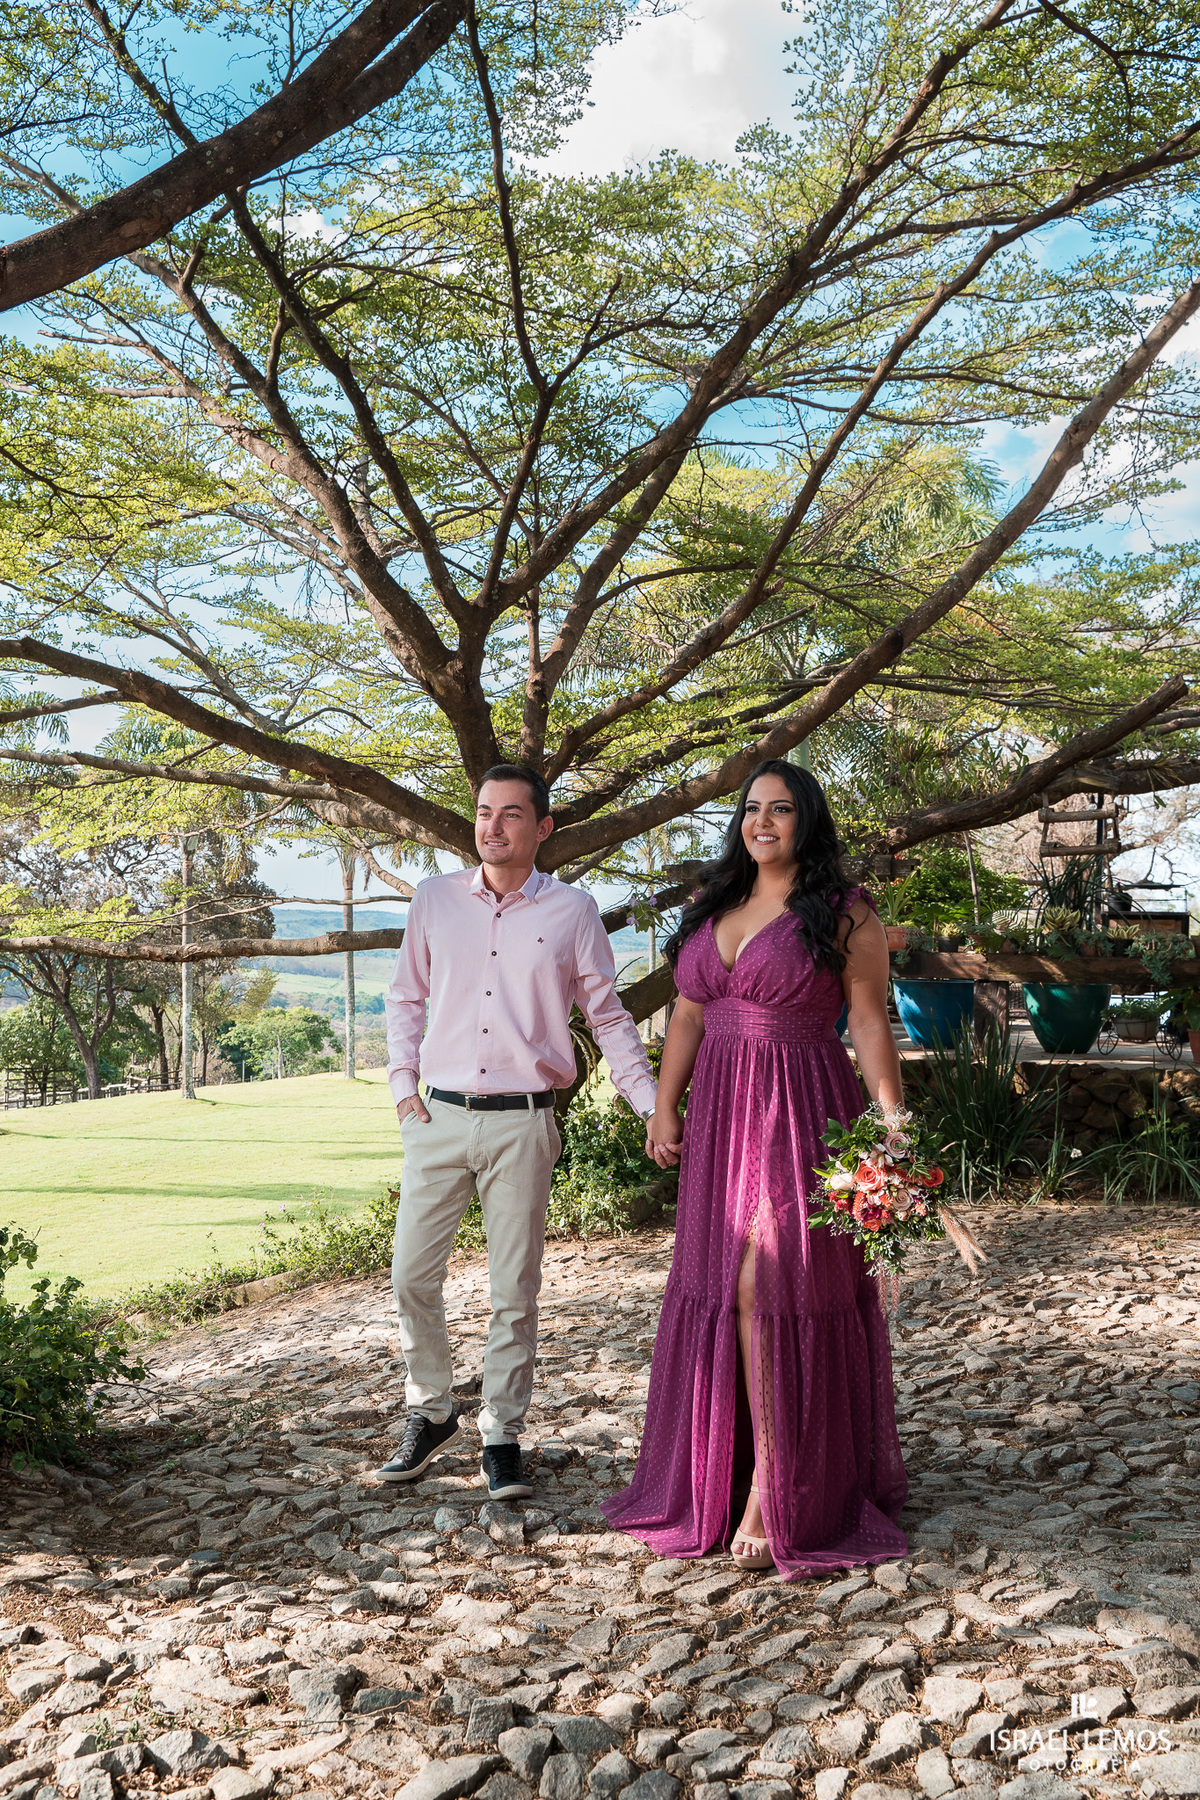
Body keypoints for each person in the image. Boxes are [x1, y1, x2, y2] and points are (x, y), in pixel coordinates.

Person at [604, 759, 908, 1576]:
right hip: (721, 1122)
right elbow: (690, 1016)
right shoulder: (717, 903)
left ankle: (775, 1489)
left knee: (767, 1288)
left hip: (803, 1111)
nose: (761, 821)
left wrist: (892, 1127)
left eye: (780, 810)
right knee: (719, 1286)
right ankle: (724, 1470)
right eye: (750, 808)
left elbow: (872, 1022)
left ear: (808, 821)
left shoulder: (844, 912)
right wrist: (665, 1106)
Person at [380, 764, 659, 1501]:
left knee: (515, 1290)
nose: (492, 827)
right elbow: (405, 996)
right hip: (437, 1119)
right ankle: (432, 1410)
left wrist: (648, 1103)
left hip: (524, 1123)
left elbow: (608, 1017)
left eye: (510, 815)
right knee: (411, 1274)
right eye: (482, 812)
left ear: (543, 828)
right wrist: (403, 1089)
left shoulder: (573, 911)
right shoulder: (435, 900)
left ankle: (501, 1432)